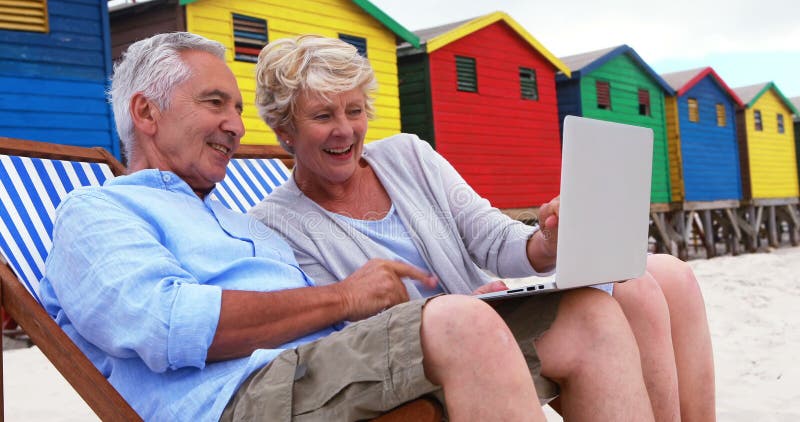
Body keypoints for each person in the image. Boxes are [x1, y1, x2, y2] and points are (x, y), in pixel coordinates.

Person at [38, 32, 654, 421]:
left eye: (236, 107)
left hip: (316, 369)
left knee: (588, 315)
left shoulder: (227, 220)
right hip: (241, 400)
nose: (234, 124)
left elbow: (336, 322)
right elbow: (168, 324)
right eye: (214, 103)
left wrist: (422, 309)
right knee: (463, 321)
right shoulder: (98, 213)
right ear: (146, 111)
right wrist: (351, 297)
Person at [250, 35, 714, 421]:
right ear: (283, 129)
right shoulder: (277, 224)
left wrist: (545, 241)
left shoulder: (408, 156)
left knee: (669, 272)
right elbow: (342, 341)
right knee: (629, 294)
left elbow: (490, 237)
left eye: (355, 111)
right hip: (427, 353)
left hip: (493, 310)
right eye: (323, 116)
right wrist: (453, 309)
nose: (345, 130)